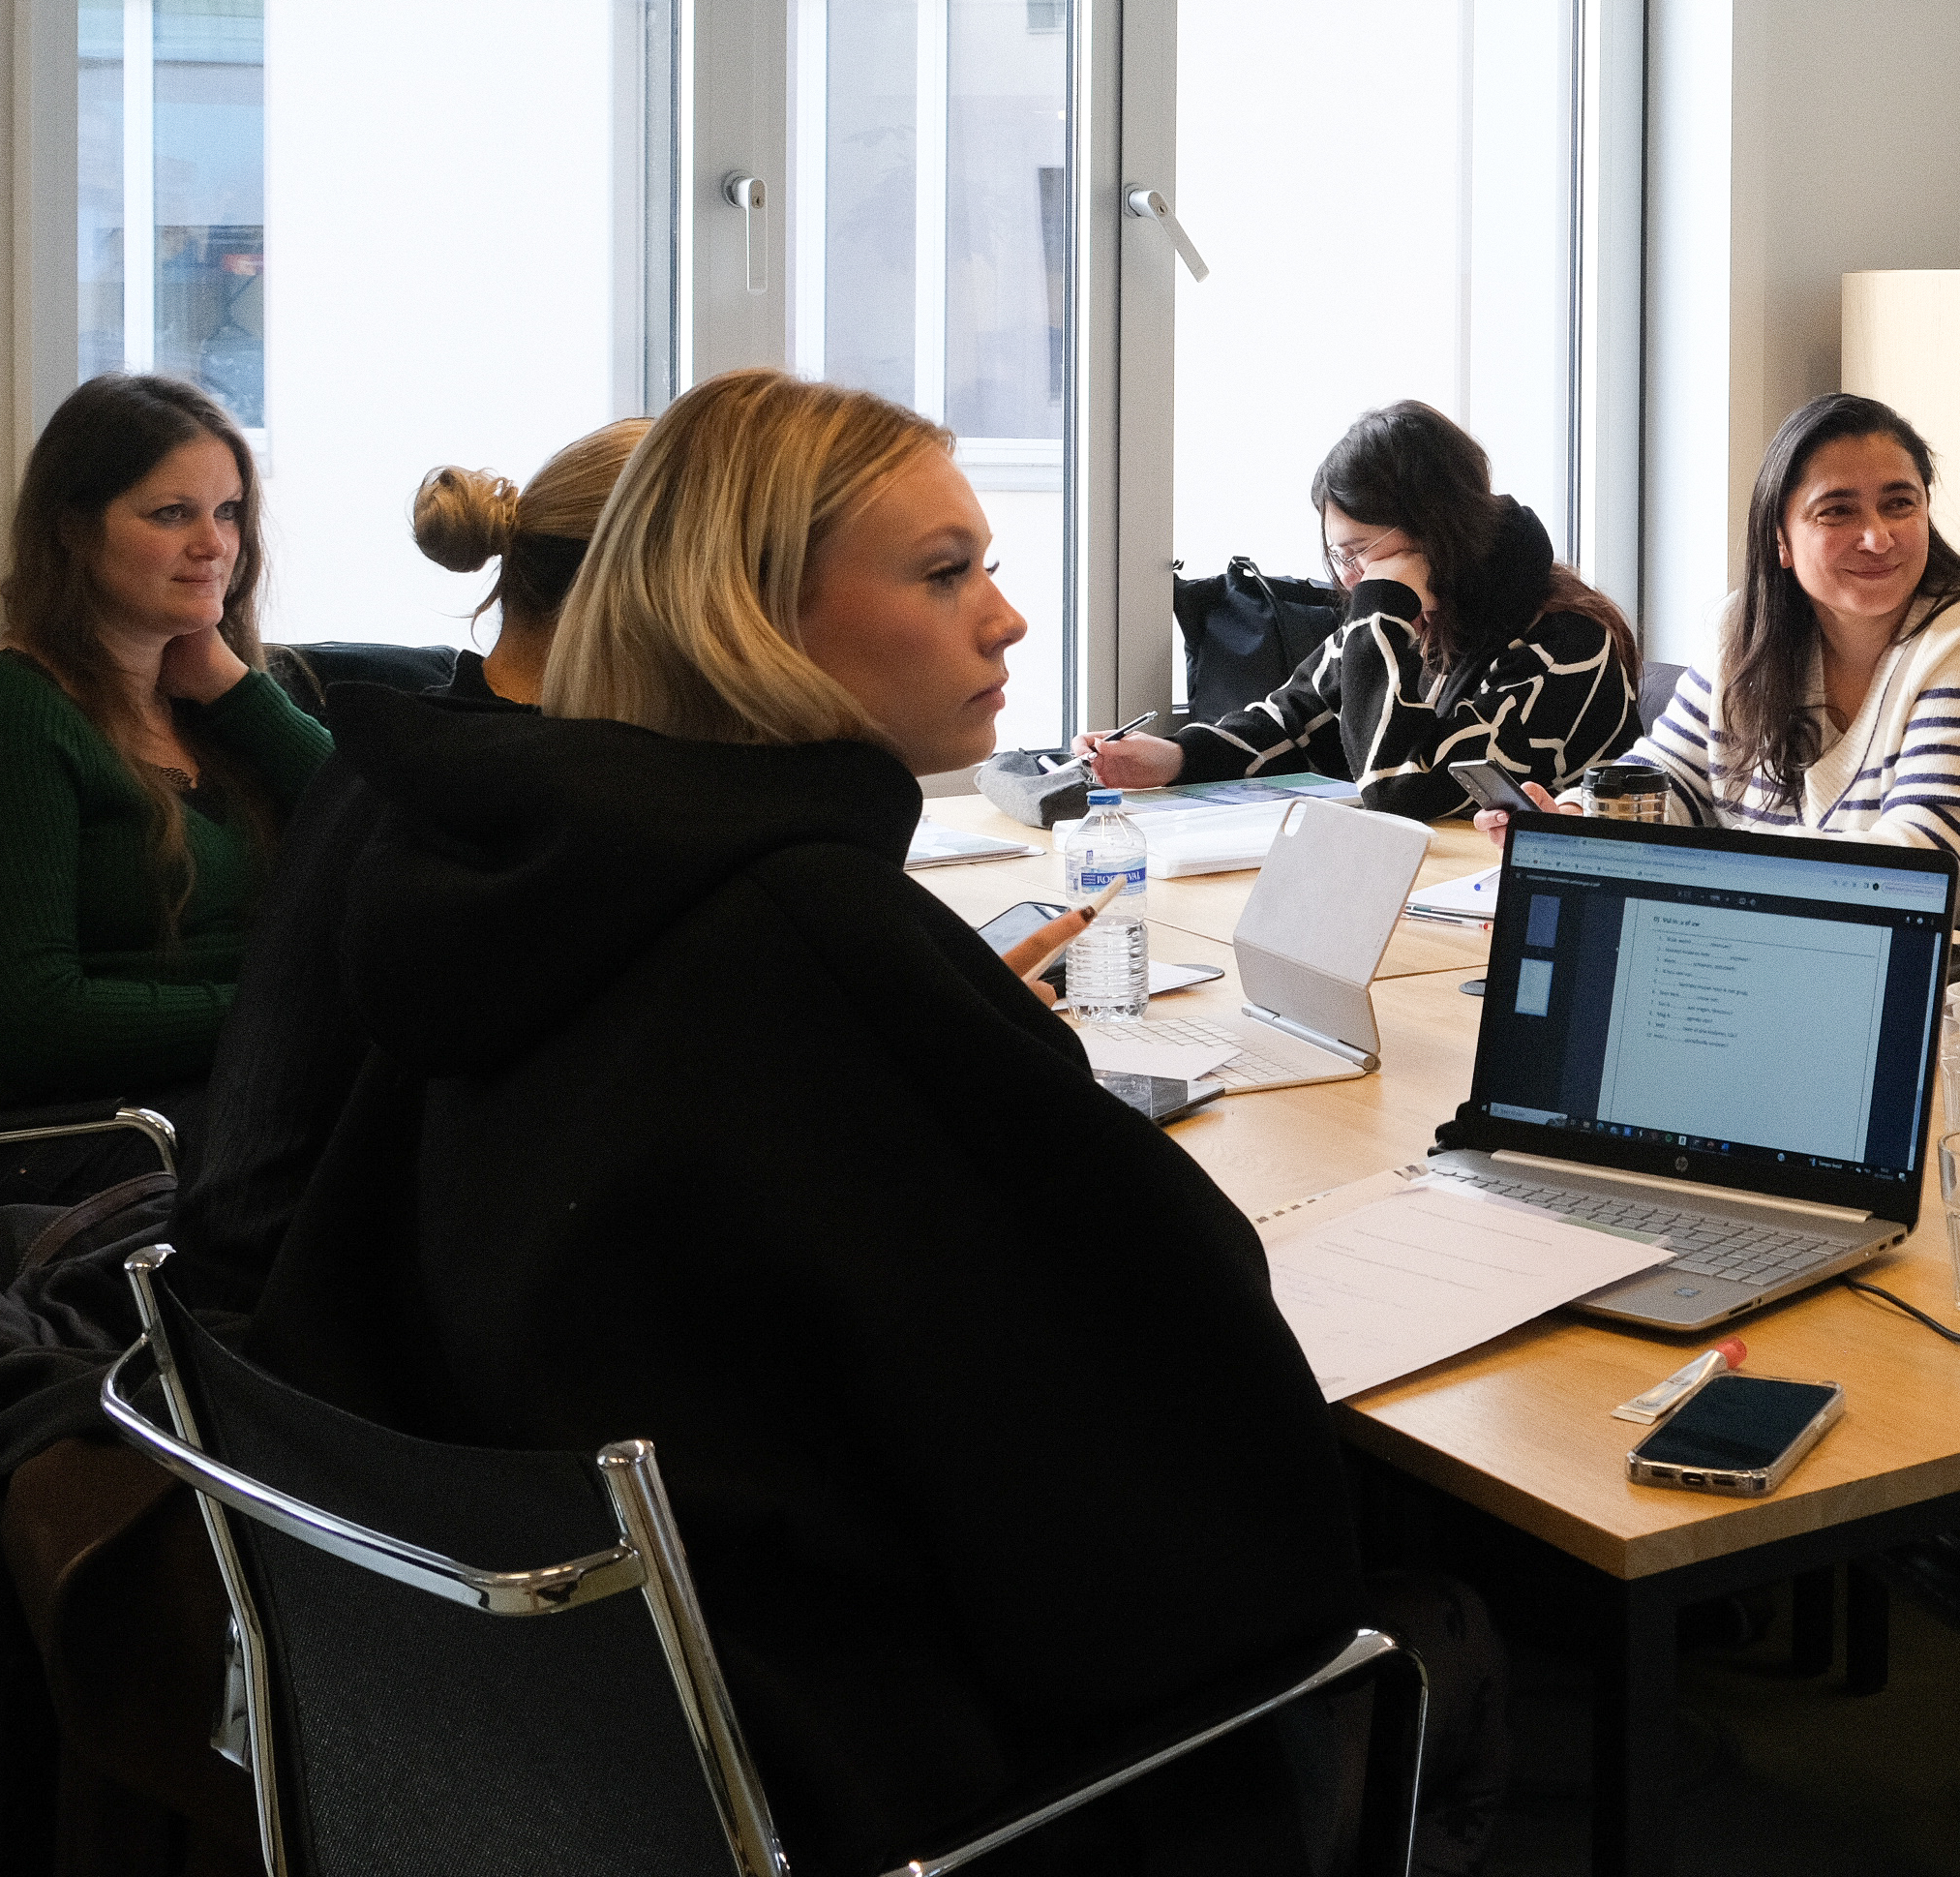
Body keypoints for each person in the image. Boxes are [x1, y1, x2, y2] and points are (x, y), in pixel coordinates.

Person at [247, 371, 1398, 1874]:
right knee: (1422, 1582)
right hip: (876, 1771)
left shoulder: (510, 885)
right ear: (750, 617)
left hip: (595, 1754)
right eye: (945, 572)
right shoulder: (804, 939)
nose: (1009, 619)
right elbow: (1190, 1480)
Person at [169, 418, 648, 1309]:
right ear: (658, 593)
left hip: (277, 1281)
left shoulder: (424, 760)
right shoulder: (519, 808)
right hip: (313, 1327)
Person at [0, 373, 331, 1115]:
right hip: (58, 1141)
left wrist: (240, 692)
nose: (215, 545)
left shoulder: (209, 708)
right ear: (74, 530)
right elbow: (38, 1021)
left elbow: (375, 827)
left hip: (216, 1094)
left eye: (230, 511)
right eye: (173, 513)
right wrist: (301, 1010)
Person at [1611, 390, 1960, 939]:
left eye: (1900, 504)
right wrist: (1576, 819)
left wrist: (1700, 867)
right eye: (1838, 511)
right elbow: (1666, 782)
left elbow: (1918, 875)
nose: (1877, 537)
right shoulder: (1748, 631)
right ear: (1780, 539)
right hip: (1830, 960)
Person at [1076, 400, 1641, 822]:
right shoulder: (1410, 619)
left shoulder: (1568, 645)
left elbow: (1403, 790)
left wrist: (1382, 608)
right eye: (1337, 555)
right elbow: (1292, 722)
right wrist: (1171, 757)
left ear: (1439, 536)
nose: (1351, 578)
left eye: (1362, 552)